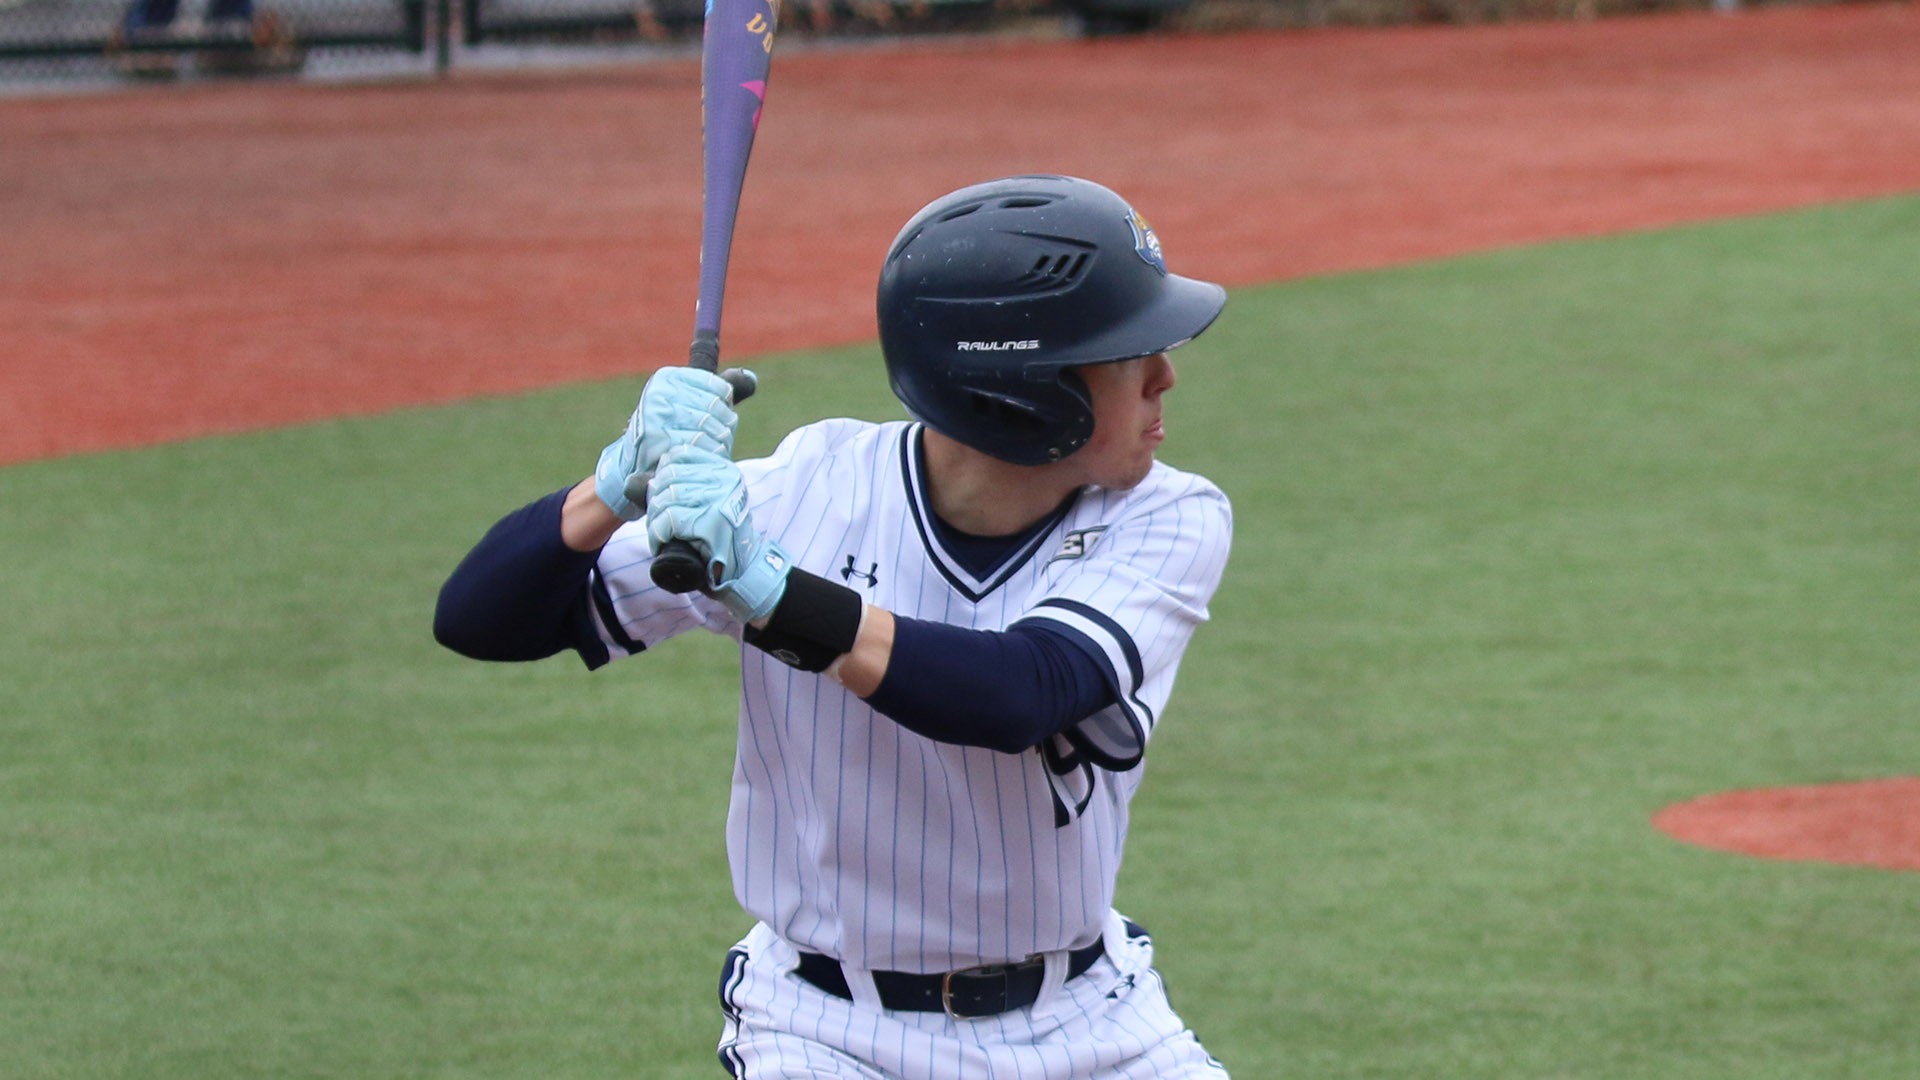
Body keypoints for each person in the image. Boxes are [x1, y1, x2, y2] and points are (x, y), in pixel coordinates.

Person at [435, 174, 1234, 1077]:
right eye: (1129, 352)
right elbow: (479, 620)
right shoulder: (805, 492)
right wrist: (616, 485)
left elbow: (1018, 692)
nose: (1165, 375)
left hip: (1095, 1023)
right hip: (827, 1031)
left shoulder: (1169, 517)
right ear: (1019, 386)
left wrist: (770, 595)